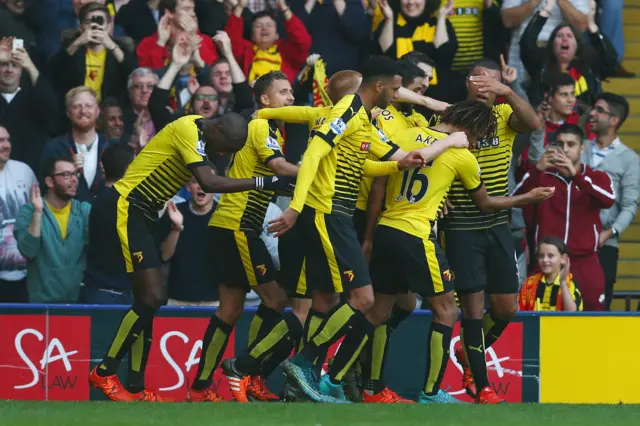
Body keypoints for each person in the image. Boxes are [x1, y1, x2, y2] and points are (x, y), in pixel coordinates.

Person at [265, 55, 467, 403]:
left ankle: (306, 368)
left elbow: (386, 159)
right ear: (379, 86)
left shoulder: (361, 120)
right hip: (328, 212)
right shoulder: (347, 108)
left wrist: (413, 157)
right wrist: (295, 208)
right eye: (395, 88)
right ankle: (303, 363)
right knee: (363, 298)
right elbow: (313, 153)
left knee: (342, 299)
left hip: (339, 216)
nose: (397, 95)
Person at [87, 112, 293, 402]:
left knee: (147, 299)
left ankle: (134, 387)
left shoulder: (205, 133)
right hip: (129, 206)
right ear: (218, 128)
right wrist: (264, 182)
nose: (221, 153)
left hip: (146, 212)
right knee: (153, 297)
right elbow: (209, 183)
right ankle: (105, 372)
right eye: (225, 146)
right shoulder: (188, 129)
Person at [360, 100, 553, 404]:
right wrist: (527, 198)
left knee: (380, 310)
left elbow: (379, 185)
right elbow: (485, 203)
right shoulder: (461, 155)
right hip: (418, 234)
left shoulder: (408, 135)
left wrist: (369, 238)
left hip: (386, 228)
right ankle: (431, 393)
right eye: (478, 138)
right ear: (470, 130)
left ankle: (358, 384)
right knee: (447, 310)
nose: (476, 145)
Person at [187, 71, 300, 403]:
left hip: (229, 225)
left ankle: (201, 388)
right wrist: (317, 170)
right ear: (265, 100)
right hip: (239, 226)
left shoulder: (262, 128)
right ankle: (248, 373)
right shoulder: (261, 125)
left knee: (230, 309)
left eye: (292, 92)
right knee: (277, 300)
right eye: (284, 92)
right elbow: (279, 168)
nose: (291, 98)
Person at [436, 58, 541, 404]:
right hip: (462, 225)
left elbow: (534, 121)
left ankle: (471, 355)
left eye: (492, 83)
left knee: (507, 307)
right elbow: (428, 158)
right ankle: (481, 387)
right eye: (479, 82)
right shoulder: (448, 118)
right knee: (472, 308)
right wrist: (439, 197)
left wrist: (508, 92)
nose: (485, 88)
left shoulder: (503, 116)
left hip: (497, 224)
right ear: (467, 83)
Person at [515, 124, 615, 310]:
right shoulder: (543, 176)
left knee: (592, 322)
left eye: (571, 144)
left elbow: (609, 199)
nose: (565, 149)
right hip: (546, 263)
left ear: (582, 148)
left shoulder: (595, 176)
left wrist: (577, 176)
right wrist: (537, 170)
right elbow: (515, 200)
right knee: (540, 324)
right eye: (560, 144)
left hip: (586, 263)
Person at [582, 93, 640, 310]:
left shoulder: (629, 159)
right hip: (572, 241)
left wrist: (610, 233)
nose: (592, 114)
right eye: (593, 109)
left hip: (605, 244)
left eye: (599, 110)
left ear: (614, 120)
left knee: (598, 308)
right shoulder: (579, 148)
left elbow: (630, 205)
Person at [519, 236, 583, 312]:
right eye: (541, 256)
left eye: (550, 256)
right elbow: (520, 315)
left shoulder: (570, 282)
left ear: (563, 259)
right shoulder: (529, 283)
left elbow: (572, 314)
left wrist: (562, 283)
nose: (545, 260)